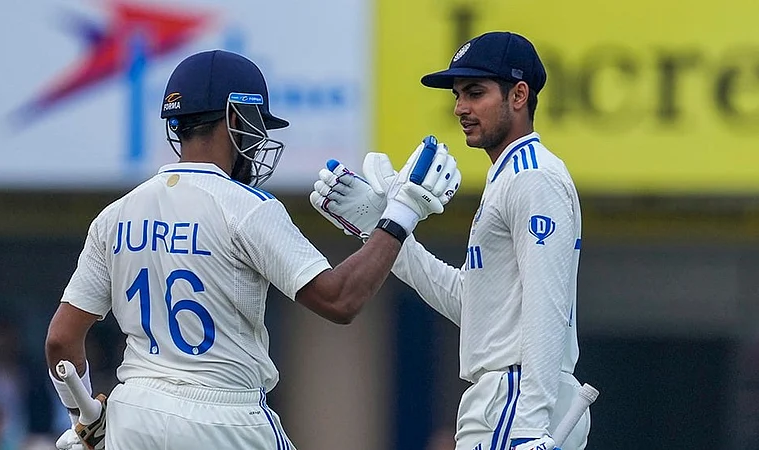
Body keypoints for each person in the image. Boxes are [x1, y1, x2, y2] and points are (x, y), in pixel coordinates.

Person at [44, 49, 461, 450]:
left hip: (134, 414)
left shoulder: (115, 215)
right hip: (225, 416)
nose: (259, 139)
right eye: (256, 124)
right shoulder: (246, 207)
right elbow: (341, 299)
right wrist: (402, 214)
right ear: (234, 117)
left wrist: (83, 417)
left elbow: (61, 341)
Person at [310, 32, 589, 450]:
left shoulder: (532, 176)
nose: (460, 108)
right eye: (458, 95)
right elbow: (475, 307)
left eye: (475, 93)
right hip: (506, 397)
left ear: (519, 95)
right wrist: (385, 229)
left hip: (517, 400)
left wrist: (529, 425)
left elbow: (545, 304)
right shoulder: (510, 174)